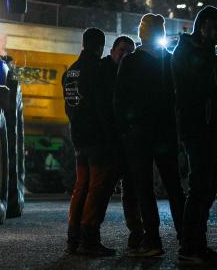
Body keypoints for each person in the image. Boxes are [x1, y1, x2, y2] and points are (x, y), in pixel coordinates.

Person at [114, 14, 185, 257]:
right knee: (174, 187)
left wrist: (126, 128)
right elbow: (178, 98)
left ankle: (152, 240)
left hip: (139, 134)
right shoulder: (170, 60)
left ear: (142, 33)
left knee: (144, 189)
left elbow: (120, 99)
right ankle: (186, 238)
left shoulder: (131, 62)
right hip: (165, 132)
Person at [171, 5, 217, 265]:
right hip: (197, 128)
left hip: (207, 128)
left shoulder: (202, 50)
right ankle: (190, 246)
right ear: (204, 25)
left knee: (206, 188)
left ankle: (197, 244)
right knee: (200, 188)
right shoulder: (189, 52)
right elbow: (196, 88)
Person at [63, 27, 116, 256]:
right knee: (97, 188)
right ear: (100, 46)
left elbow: (69, 107)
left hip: (78, 138)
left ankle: (73, 238)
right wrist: (111, 134)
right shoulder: (97, 70)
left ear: (84, 44)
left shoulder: (71, 72)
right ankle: (90, 239)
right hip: (97, 138)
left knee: (81, 187)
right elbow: (103, 106)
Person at [96, 36, 144, 251]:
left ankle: (136, 234)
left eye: (129, 52)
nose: (125, 55)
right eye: (122, 50)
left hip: (128, 140)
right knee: (102, 189)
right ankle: (90, 234)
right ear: (112, 51)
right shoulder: (103, 71)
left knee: (131, 190)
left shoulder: (130, 72)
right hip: (110, 141)